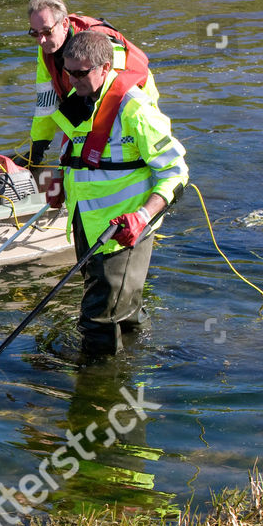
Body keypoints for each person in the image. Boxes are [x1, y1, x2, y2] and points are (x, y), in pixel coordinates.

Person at [47, 32, 186, 354]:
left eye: (81, 73)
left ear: (105, 67)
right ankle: (139, 364)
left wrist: (142, 216)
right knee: (122, 311)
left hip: (122, 231)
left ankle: (96, 390)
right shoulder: (79, 102)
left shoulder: (135, 110)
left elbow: (175, 172)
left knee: (98, 320)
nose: (72, 79)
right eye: (68, 72)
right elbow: (78, 158)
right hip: (86, 222)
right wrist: (59, 185)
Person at [25, 0, 157, 182]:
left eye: (46, 32)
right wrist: (37, 149)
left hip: (134, 100)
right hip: (85, 94)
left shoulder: (99, 41)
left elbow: (116, 89)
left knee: (121, 153)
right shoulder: (46, 48)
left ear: (63, 25)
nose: (41, 40)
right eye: (34, 33)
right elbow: (46, 104)